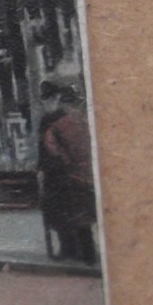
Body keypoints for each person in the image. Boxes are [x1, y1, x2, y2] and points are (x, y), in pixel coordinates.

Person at [38, 81, 97, 263]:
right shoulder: (83, 120)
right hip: (83, 176)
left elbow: (53, 152)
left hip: (61, 175)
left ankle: (70, 250)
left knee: (61, 216)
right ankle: (86, 253)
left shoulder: (52, 124)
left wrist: (44, 169)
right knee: (81, 217)